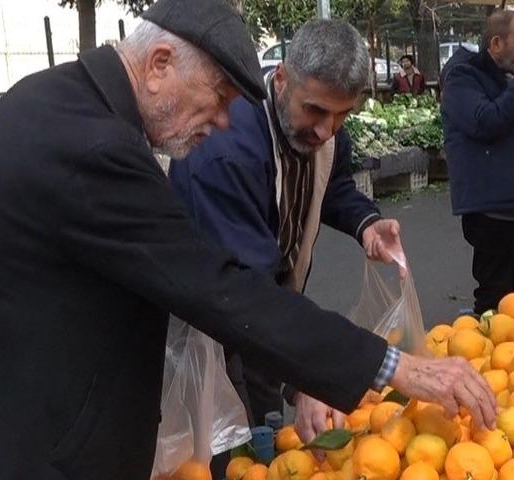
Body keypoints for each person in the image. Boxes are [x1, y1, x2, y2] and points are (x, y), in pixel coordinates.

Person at [0, 1, 497, 478]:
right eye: (219, 96)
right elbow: (221, 287)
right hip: (40, 434)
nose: (224, 118)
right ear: (159, 65)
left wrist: (362, 223)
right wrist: (393, 366)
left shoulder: (64, 99)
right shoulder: (99, 146)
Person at [170, 18, 408, 449]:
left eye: (342, 115)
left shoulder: (327, 130)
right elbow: (244, 287)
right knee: (220, 442)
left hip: (267, 307)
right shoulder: (228, 151)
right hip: (209, 324)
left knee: (266, 426)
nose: (325, 130)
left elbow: (333, 187)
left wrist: (367, 223)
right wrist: (306, 374)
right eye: (315, 110)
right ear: (281, 79)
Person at [441, 10, 514, 314]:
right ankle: (487, 352)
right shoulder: (462, 77)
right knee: (494, 291)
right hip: (491, 203)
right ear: (496, 43)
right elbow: (485, 123)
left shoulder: (509, 78)